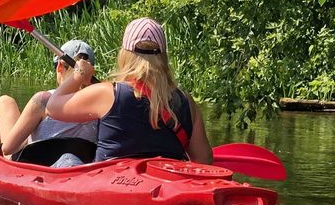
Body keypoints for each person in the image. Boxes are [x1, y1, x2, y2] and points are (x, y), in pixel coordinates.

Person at [46, 18, 212, 164]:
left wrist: (78, 75)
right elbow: (203, 160)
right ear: (162, 55)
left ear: (125, 54)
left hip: (110, 190)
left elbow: (52, 107)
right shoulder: (186, 101)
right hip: (163, 188)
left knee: (67, 159)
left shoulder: (108, 93)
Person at [0, 39, 99, 167]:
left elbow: (7, 149)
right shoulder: (102, 104)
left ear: (59, 66)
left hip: (33, 165)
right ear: (91, 71)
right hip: (78, 164)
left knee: (5, 101)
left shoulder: (43, 100)